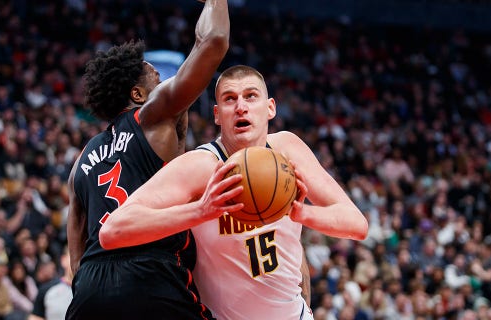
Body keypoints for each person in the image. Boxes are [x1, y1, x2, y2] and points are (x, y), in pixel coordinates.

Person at [100, 65, 369, 320]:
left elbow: (356, 225)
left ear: (270, 107)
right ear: (217, 114)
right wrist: (199, 210)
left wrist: (302, 212)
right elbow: (113, 231)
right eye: (230, 99)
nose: (241, 107)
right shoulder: (201, 166)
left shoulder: (288, 150)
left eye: (251, 96)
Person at [65, 0, 230, 318]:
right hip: (150, 271)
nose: (164, 80)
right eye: (155, 78)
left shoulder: (79, 162)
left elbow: (76, 257)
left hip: (89, 289)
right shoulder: (152, 117)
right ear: (138, 96)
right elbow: (213, 41)